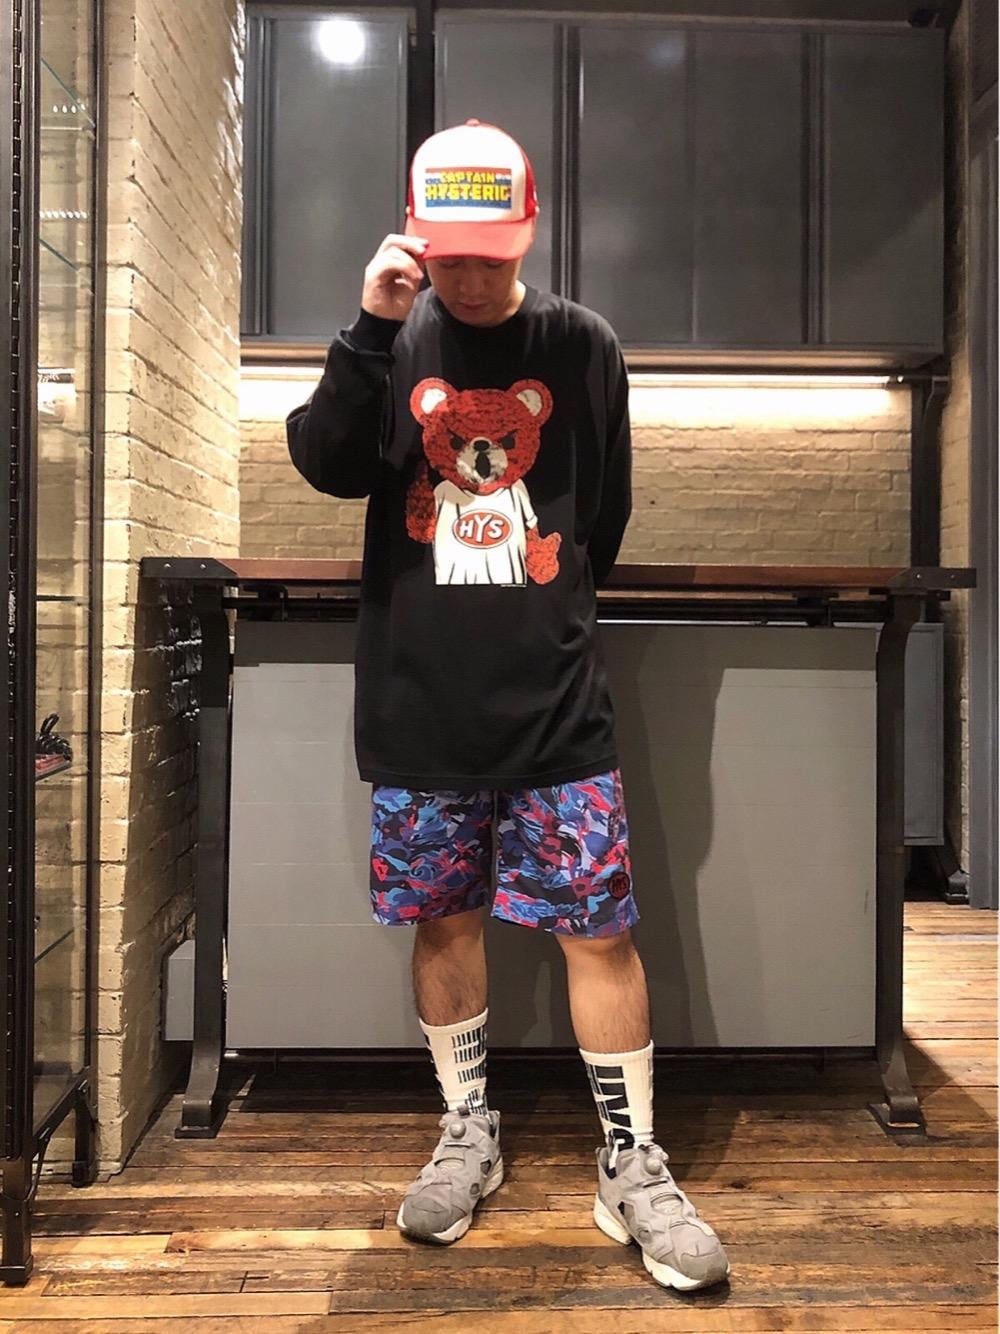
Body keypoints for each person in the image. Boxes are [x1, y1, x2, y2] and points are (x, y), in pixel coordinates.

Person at [286, 119, 730, 1292]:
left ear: (528, 231)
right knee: (445, 923)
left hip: (556, 709)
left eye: (488, 254)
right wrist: (368, 329)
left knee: (600, 930)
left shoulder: (582, 346)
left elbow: (602, 517)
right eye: (449, 254)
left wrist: (544, 605)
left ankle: (631, 1161)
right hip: (418, 707)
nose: (468, 276)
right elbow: (327, 463)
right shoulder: (391, 336)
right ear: (417, 238)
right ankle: (465, 1130)